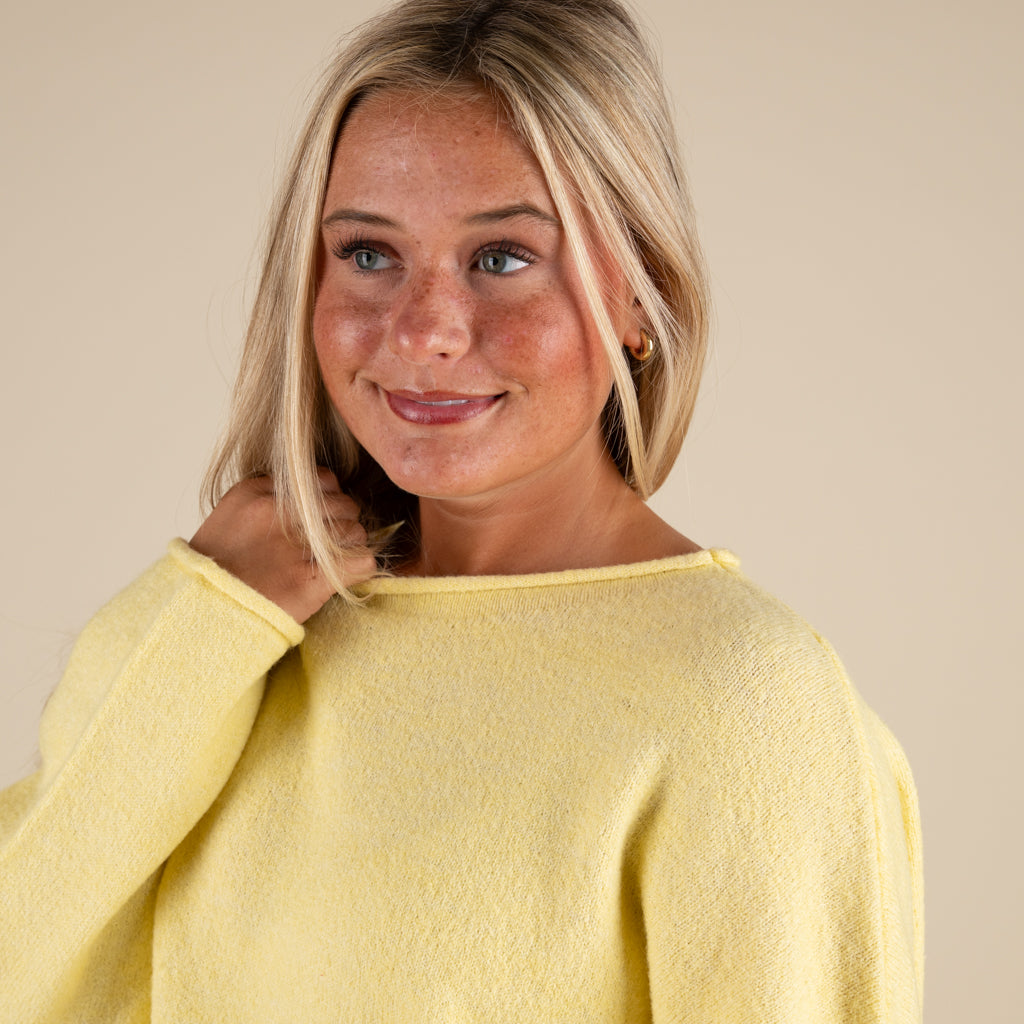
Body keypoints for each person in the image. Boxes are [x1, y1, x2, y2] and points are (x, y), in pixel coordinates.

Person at [0, 0, 923, 1020]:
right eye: (367, 253)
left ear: (639, 294)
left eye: (501, 258)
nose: (425, 328)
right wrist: (196, 624)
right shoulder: (246, 639)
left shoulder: (747, 703)